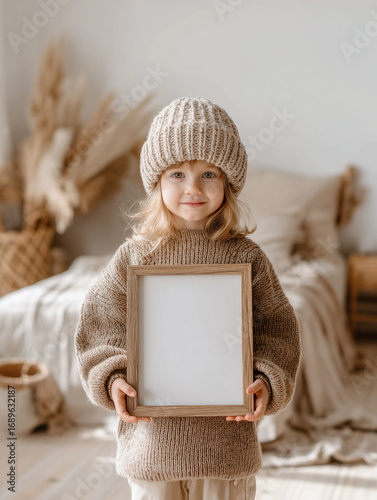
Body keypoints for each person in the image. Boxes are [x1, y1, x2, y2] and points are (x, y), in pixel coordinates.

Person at [74, 96, 301, 500]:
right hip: (153, 447)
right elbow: (100, 328)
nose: (193, 188)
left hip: (225, 449)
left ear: (228, 182)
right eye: (177, 173)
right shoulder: (134, 257)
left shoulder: (246, 257)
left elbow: (279, 330)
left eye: (208, 174)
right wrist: (112, 376)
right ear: (157, 182)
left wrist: (267, 379)